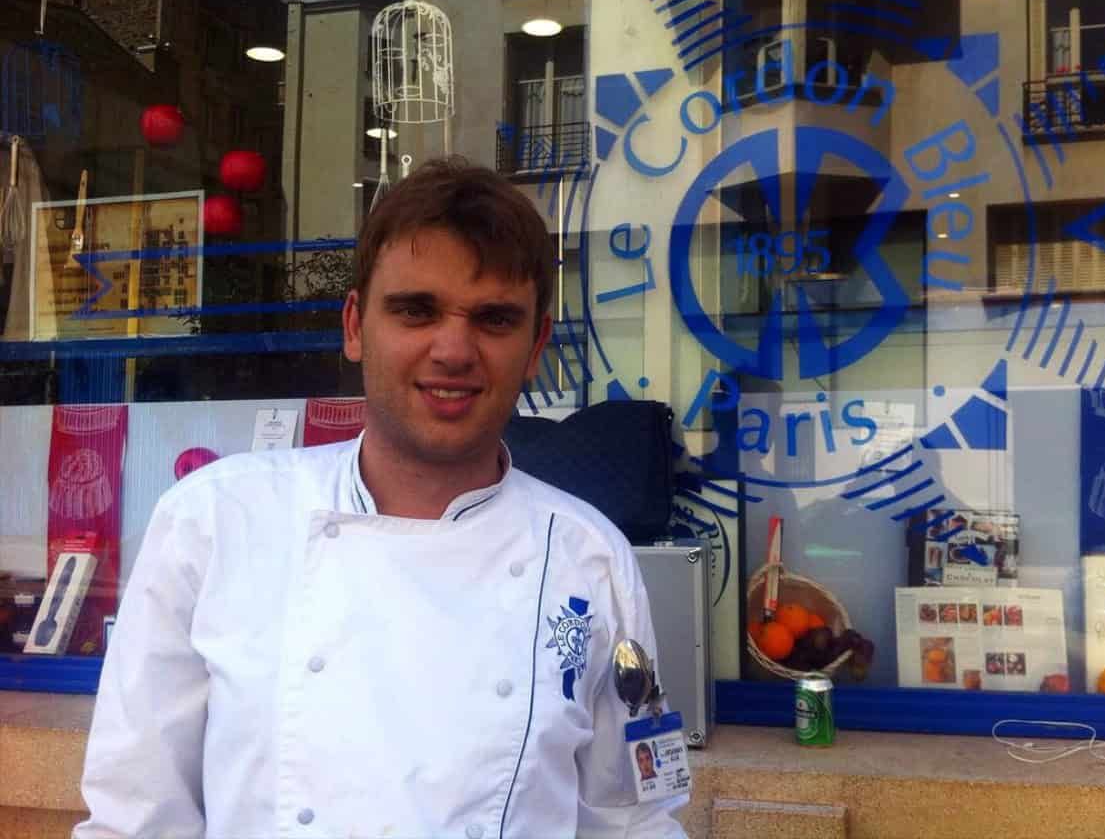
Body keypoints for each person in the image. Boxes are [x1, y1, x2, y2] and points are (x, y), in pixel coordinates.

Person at [74, 158, 688, 838]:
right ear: (356, 325)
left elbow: (632, 821)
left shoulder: (589, 556)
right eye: (416, 310)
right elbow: (135, 816)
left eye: (493, 319)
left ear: (536, 344)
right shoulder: (216, 521)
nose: (453, 350)